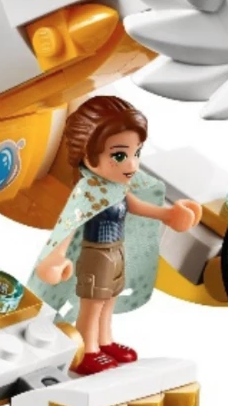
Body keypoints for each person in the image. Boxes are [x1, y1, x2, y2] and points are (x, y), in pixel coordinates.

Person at [29, 96, 203, 374]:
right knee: (92, 303)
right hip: (95, 255)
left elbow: (137, 206)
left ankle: (105, 341)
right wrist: (56, 256)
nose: (132, 165)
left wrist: (168, 215)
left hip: (115, 251)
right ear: (88, 156)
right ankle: (87, 349)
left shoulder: (117, 188)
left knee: (109, 299)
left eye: (137, 152)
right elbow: (69, 223)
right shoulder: (87, 192)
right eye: (120, 156)